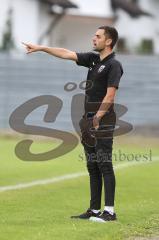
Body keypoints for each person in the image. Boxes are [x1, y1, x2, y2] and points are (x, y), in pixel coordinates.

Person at [22, 25, 123, 223]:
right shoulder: (94, 60)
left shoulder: (114, 65)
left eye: (98, 36)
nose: (94, 38)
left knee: (104, 164)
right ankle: (94, 210)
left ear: (108, 41)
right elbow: (66, 53)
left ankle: (109, 212)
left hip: (102, 119)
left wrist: (97, 118)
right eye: (94, 35)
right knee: (92, 165)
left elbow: (110, 95)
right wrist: (42, 48)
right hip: (88, 119)